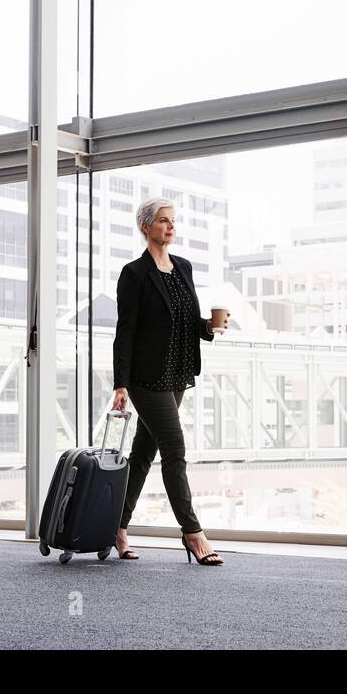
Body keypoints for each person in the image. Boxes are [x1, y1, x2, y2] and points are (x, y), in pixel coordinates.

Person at [111, 197, 229, 566]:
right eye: (163, 221)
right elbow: (125, 331)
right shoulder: (134, 274)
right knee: (174, 451)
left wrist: (209, 326)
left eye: (173, 221)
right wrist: (121, 384)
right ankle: (193, 533)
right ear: (146, 227)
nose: (171, 227)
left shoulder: (183, 268)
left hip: (178, 373)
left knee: (143, 455)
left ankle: (116, 527)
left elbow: (187, 319)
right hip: (146, 378)